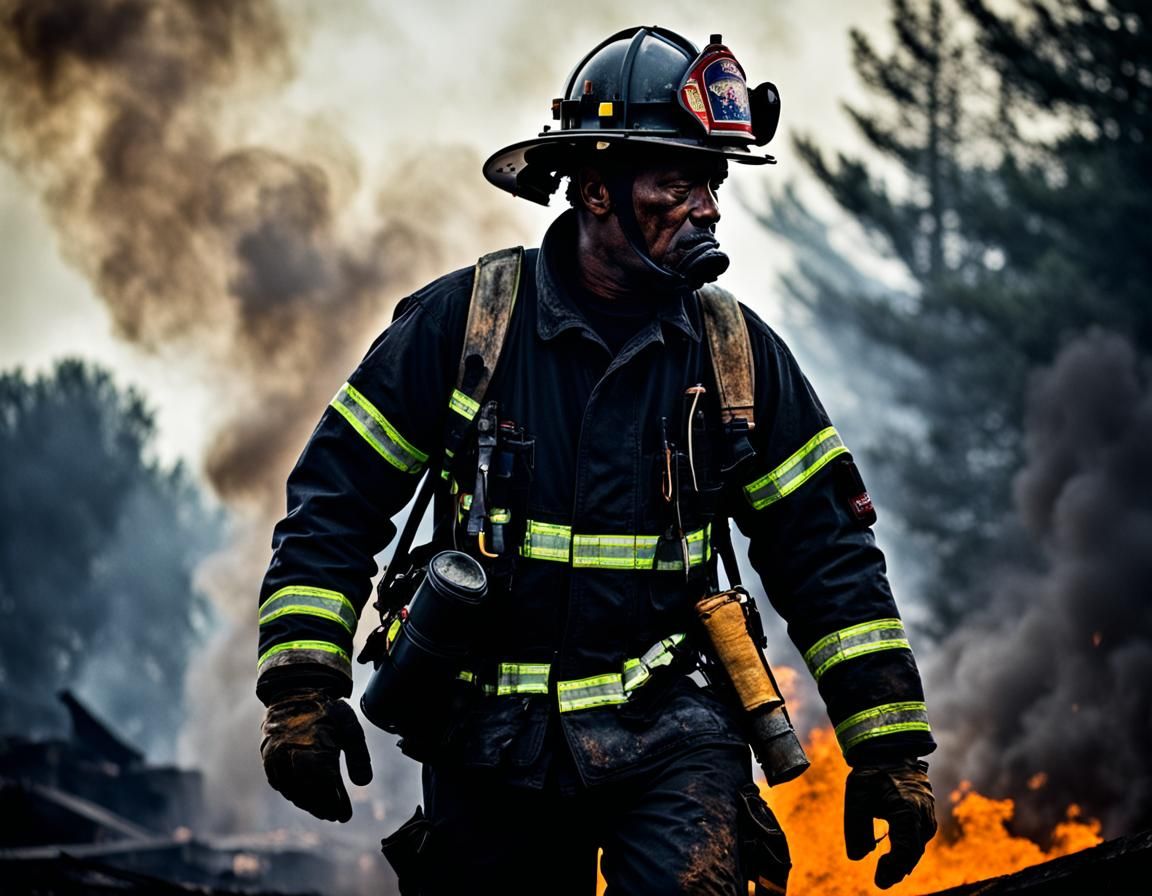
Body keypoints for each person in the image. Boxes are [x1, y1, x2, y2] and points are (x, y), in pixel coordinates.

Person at [256, 25, 938, 895]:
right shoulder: (466, 329)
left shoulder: (735, 356)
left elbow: (826, 553)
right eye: (678, 183)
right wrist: (302, 688)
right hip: (489, 739)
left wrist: (889, 749)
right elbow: (335, 502)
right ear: (595, 190)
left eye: (713, 183)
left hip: (673, 735)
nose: (708, 208)